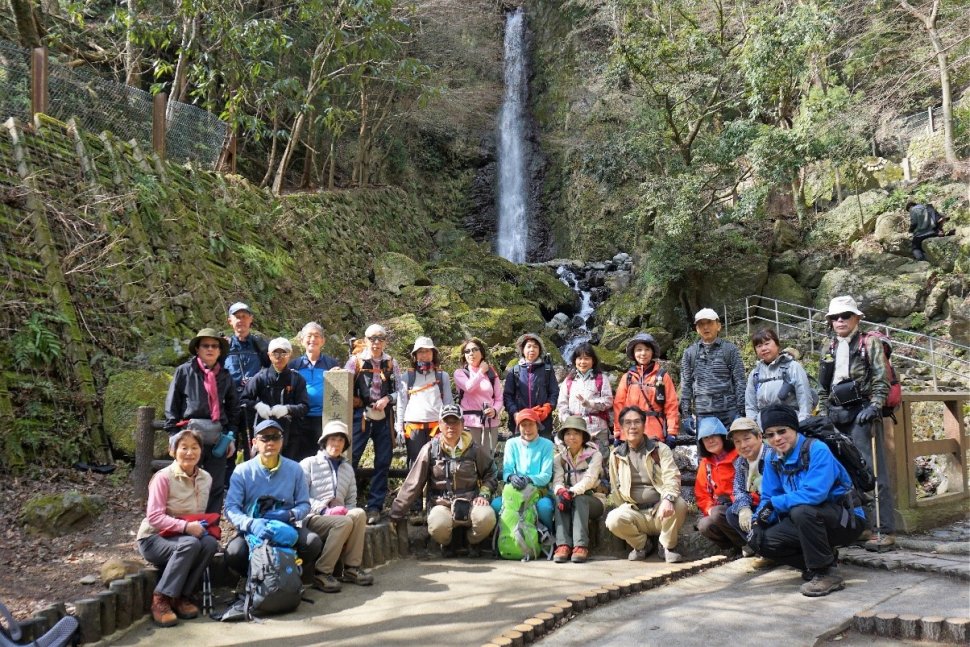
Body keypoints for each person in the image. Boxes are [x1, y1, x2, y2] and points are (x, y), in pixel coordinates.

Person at [749, 404, 866, 597]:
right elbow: (769, 496)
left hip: (846, 519)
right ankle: (821, 562)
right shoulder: (772, 458)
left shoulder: (817, 449)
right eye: (770, 435)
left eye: (782, 431)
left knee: (802, 510)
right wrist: (757, 521)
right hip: (809, 520)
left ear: (793, 428)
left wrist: (774, 505)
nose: (777, 438)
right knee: (761, 540)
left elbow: (815, 494)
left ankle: (826, 573)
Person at [817, 295, 895, 551]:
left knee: (871, 470)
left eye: (845, 316)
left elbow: (881, 377)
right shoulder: (828, 347)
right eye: (835, 317)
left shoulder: (869, 343)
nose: (840, 321)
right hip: (836, 413)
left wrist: (875, 405)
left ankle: (883, 528)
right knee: (845, 471)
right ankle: (858, 525)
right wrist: (825, 408)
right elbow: (822, 384)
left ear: (856, 318)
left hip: (862, 410)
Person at [136, 428, 218, 627]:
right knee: (190, 544)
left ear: (201, 451)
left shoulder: (205, 478)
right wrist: (186, 526)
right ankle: (161, 599)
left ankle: (181, 596)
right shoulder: (163, 477)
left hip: (181, 536)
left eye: (194, 447)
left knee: (209, 543)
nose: (189, 452)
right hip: (153, 539)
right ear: (172, 451)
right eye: (184, 448)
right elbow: (154, 517)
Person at [390, 404, 498, 556]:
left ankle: (471, 541)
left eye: (455, 422)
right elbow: (413, 483)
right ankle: (447, 543)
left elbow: (491, 473)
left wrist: (484, 494)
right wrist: (396, 513)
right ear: (440, 425)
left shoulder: (474, 449)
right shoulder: (430, 449)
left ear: (462, 424)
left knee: (487, 518)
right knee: (437, 525)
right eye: (447, 422)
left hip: (470, 502)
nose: (451, 426)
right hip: (442, 504)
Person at [224, 420, 322, 581]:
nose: (270, 442)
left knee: (313, 543)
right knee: (235, 553)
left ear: (282, 441)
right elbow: (231, 508)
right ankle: (253, 578)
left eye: (276, 437)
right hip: (252, 530)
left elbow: (304, 504)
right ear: (255, 442)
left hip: (285, 527)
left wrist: (290, 514)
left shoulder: (295, 469)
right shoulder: (242, 471)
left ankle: (290, 575)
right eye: (265, 438)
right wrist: (250, 523)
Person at [164, 328, 240, 513]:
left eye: (215, 346)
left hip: (218, 437)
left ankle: (211, 527)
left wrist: (231, 436)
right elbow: (172, 403)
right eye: (205, 345)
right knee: (188, 481)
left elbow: (233, 408)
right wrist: (173, 435)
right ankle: (188, 523)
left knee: (215, 483)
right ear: (197, 348)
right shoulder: (184, 372)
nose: (210, 349)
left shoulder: (225, 376)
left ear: (220, 351)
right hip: (190, 434)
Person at [605, 405, 687, 563]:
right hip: (634, 512)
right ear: (621, 427)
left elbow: (672, 475)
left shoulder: (660, 449)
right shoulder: (616, 455)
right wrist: (623, 508)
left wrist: (667, 499)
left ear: (644, 424)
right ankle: (642, 545)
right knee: (613, 519)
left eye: (637, 422)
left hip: (660, 510)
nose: (632, 427)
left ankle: (666, 546)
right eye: (627, 423)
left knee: (680, 504)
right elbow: (615, 487)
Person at [301, 421, 374, 592]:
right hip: (312, 517)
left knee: (359, 514)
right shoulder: (309, 464)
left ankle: (351, 568)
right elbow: (300, 497)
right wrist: (324, 509)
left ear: (345, 444)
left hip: (338, 517)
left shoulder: (347, 469)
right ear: (324, 441)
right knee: (344, 522)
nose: (336, 444)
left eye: (340, 440)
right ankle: (322, 572)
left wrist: (344, 511)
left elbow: (350, 502)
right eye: (332, 439)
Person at [345, 323, 402, 525]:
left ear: (385, 341)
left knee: (383, 461)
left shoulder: (391, 363)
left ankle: (375, 506)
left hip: (384, 415)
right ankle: (347, 502)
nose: (376, 342)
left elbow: (399, 390)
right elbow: (344, 383)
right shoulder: (355, 362)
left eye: (380, 338)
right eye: (372, 338)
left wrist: (388, 399)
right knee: (351, 457)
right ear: (366, 340)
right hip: (361, 415)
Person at [241, 338, 310, 462]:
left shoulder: (297, 379)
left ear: (290, 355)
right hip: (264, 432)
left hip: (290, 434)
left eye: (283, 353)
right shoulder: (260, 378)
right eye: (275, 353)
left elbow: (304, 407)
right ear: (269, 355)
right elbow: (244, 400)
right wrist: (258, 406)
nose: (279, 357)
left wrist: (288, 409)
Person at [223, 302, 270, 471]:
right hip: (230, 405)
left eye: (244, 316)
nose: (241, 320)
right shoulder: (224, 346)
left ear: (251, 319)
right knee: (227, 448)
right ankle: (227, 488)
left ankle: (254, 485)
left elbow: (272, 369)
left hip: (253, 405)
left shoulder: (259, 345)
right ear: (230, 321)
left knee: (255, 448)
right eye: (237, 317)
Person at [680, 308, 746, 431]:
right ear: (697, 329)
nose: (705, 327)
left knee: (732, 450)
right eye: (701, 324)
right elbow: (686, 385)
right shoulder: (690, 353)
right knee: (706, 450)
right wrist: (686, 414)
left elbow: (740, 381)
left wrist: (741, 412)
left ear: (718, 326)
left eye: (709, 323)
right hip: (702, 413)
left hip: (729, 412)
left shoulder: (730, 350)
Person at [490, 409, 555, 530]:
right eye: (523, 425)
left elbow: (546, 475)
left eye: (531, 424)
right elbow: (507, 469)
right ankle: (506, 539)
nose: (527, 429)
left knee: (544, 507)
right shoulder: (511, 443)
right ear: (518, 427)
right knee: (496, 505)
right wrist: (511, 477)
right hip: (515, 491)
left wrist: (529, 479)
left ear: (538, 425)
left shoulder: (547, 445)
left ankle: (548, 537)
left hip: (539, 491)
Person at [551, 416, 604, 564]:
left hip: (593, 499)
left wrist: (572, 492)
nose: (572, 437)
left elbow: (590, 479)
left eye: (576, 433)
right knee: (558, 498)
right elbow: (557, 481)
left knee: (579, 499)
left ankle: (580, 546)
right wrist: (561, 491)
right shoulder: (559, 458)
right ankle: (563, 545)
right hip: (569, 498)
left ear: (583, 437)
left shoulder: (595, 455)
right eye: (568, 433)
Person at [611, 333, 678, 449]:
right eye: (639, 350)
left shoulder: (662, 377)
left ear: (652, 352)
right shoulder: (627, 377)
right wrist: (617, 432)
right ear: (634, 353)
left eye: (647, 349)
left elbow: (671, 405)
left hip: (655, 433)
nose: (643, 353)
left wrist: (672, 432)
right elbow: (619, 406)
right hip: (630, 433)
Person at [396, 337, 453, 471]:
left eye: (428, 351)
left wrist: (449, 425)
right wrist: (399, 428)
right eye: (420, 351)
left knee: (437, 464)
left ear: (433, 354)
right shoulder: (407, 377)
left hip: (437, 427)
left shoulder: (442, 376)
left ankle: (434, 492)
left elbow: (448, 403)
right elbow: (401, 403)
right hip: (413, 427)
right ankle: (416, 492)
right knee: (415, 465)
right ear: (415, 355)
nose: (424, 355)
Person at [289, 322, 340, 462]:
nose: (313, 339)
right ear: (301, 340)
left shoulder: (331, 364)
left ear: (322, 341)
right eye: (309, 336)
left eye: (317, 336)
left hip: (323, 419)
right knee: (301, 457)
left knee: (322, 457)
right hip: (300, 419)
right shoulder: (294, 365)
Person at [744, 327, 814, 428]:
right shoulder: (755, 374)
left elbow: (804, 397)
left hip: (790, 423)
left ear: (777, 345)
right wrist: (753, 427)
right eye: (759, 346)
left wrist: (802, 423)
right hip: (764, 426)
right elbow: (750, 406)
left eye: (767, 343)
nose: (763, 348)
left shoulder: (793, 367)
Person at [694, 417, 744, 551]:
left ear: (723, 436)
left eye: (713, 436)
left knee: (717, 514)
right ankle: (736, 548)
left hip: (743, 505)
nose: (710, 441)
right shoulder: (705, 464)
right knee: (705, 525)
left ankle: (750, 545)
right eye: (705, 438)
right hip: (720, 509)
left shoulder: (739, 456)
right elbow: (702, 494)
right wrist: (709, 508)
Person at [557, 343, 614, 456]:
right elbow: (562, 405)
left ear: (593, 361)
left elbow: (608, 401)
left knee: (600, 460)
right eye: (580, 358)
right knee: (576, 462)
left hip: (597, 428)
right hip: (574, 428)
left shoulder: (601, 379)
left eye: (586, 358)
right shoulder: (569, 380)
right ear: (574, 360)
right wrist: (569, 421)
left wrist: (590, 404)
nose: (582, 362)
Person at [453, 337, 504, 456]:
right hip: (468, 423)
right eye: (467, 351)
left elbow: (499, 398)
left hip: (490, 421)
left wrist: (495, 410)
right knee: (469, 459)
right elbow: (469, 387)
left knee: (488, 459)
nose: (471, 353)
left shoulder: (491, 372)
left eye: (475, 349)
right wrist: (481, 372)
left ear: (481, 352)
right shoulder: (460, 373)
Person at [503, 333, 559, 439]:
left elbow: (554, 392)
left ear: (540, 350)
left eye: (535, 346)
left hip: (542, 421)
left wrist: (547, 408)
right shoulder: (515, 371)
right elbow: (507, 396)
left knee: (541, 450)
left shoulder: (547, 370)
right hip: (520, 420)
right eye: (528, 346)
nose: (532, 349)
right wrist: (514, 412)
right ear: (522, 349)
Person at [724, 417, 765, 554]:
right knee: (732, 513)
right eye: (737, 441)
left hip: (773, 506)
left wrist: (756, 516)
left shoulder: (771, 456)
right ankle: (761, 548)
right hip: (757, 504)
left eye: (747, 439)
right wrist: (744, 509)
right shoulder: (741, 462)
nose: (743, 445)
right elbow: (739, 489)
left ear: (759, 437)